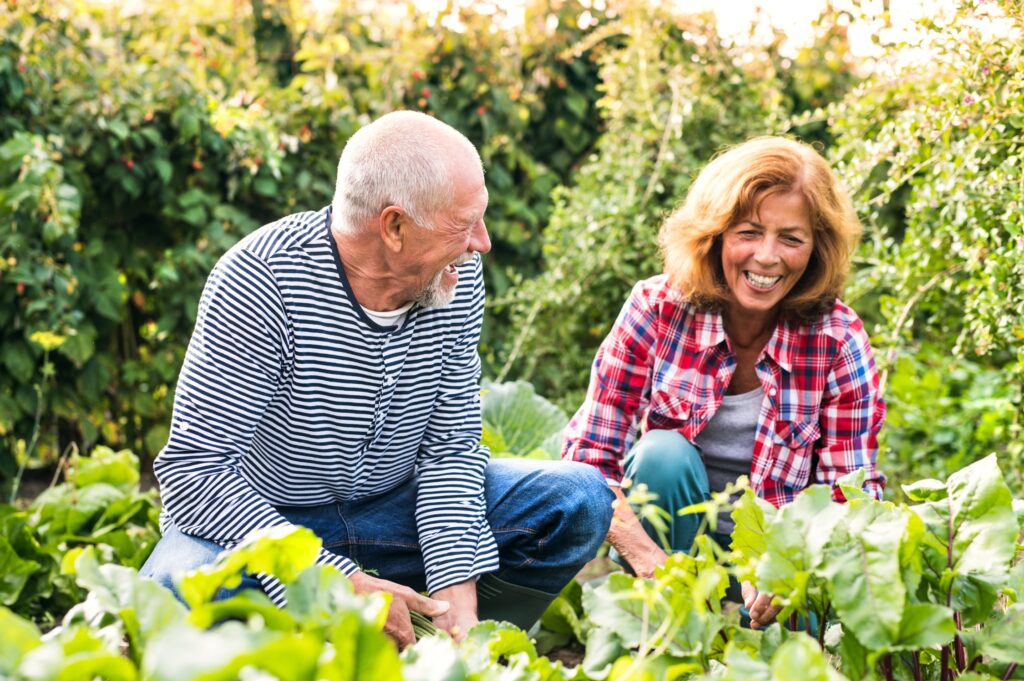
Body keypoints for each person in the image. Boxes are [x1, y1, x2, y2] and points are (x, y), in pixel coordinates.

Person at [141, 111, 613, 647]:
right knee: (172, 592)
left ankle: (431, 638)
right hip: (272, 525)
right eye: (464, 223)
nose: (481, 242)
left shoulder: (451, 275)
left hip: (395, 515)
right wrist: (336, 579)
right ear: (393, 227)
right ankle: (329, 629)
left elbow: (450, 452)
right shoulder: (262, 279)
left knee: (579, 501)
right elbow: (195, 472)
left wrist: (459, 605)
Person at [562, 136, 885, 629]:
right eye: (749, 232)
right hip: (668, 553)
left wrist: (786, 566)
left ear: (817, 248)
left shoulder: (838, 340)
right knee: (663, 454)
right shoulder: (657, 309)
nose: (768, 257)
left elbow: (850, 494)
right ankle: (663, 632)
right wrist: (650, 562)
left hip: (777, 568)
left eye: (791, 239)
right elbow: (588, 460)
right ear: (715, 233)